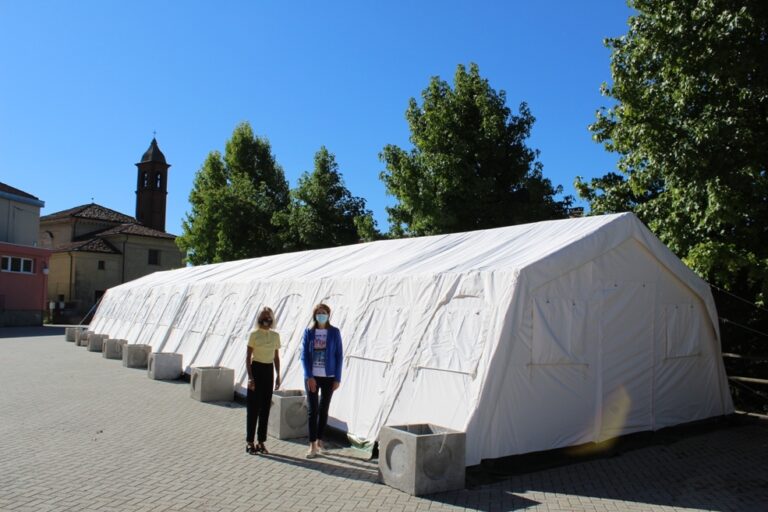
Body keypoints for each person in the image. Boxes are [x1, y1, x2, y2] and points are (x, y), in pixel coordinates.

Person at [301, 303, 343, 458]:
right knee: (313, 410)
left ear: (328, 314)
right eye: (319, 313)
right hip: (313, 377)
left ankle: (319, 440)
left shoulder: (334, 332)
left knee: (324, 409)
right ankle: (312, 445)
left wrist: (337, 378)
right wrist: (309, 376)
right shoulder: (309, 332)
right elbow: (304, 356)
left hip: (329, 376)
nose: (321, 315)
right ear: (314, 315)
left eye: (324, 312)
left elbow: (339, 355)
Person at [245, 307, 281, 455]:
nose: (266, 320)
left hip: (268, 371)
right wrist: (250, 377)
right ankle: (249, 442)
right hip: (256, 369)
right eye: (264, 317)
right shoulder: (254, 335)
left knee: (265, 408)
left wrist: (278, 375)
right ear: (259, 319)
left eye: (269, 317)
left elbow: (276, 357)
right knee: (253, 408)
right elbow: (248, 358)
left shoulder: (275, 336)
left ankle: (261, 441)